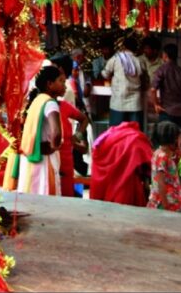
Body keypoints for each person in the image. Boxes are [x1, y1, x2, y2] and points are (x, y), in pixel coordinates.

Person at [16, 65, 64, 195]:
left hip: (32, 156)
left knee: (32, 194)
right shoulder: (51, 103)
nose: (64, 85)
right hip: (45, 158)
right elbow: (56, 132)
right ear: (50, 84)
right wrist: (55, 146)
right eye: (61, 81)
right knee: (47, 196)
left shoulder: (37, 100)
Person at [90, 121, 152, 207]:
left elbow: (95, 150)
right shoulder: (137, 138)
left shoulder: (106, 135)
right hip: (129, 185)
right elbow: (146, 165)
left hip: (110, 181)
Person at [52, 55, 88, 198]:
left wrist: (76, 137)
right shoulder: (63, 88)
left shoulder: (63, 90)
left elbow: (81, 118)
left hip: (64, 139)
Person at [102, 34, 145, 127]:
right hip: (135, 103)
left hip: (118, 102)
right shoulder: (139, 61)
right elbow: (144, 79)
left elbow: (105, 74)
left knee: (117, 133)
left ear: (124, 47)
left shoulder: (116, 59)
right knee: (134, 134)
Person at [147, 120, 181, 212]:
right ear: (173, 140)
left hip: (170, 201)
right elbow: (161, 182)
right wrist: (165, 205)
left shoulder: (162, 155)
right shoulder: (162, 157)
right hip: (166, 203)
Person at [152, 43, 181, 130]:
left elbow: (153, 89)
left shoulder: (161, 70)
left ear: (165, 55)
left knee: (165, 140)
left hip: (167, 112)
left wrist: (156, 104)